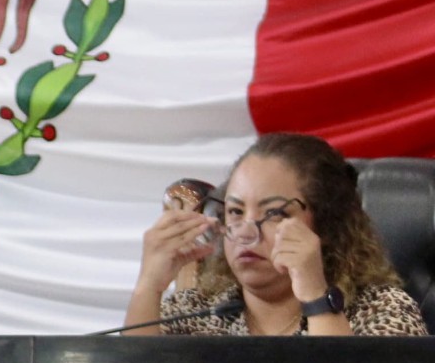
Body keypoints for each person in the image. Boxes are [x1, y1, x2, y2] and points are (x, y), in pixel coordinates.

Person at [122, 133, 428, 336]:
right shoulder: (197, 312)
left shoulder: (381, 309)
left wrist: (315, 296)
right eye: (235, 212)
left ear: (325, 225)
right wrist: (148, 287)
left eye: (274, 214)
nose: (247, 232)